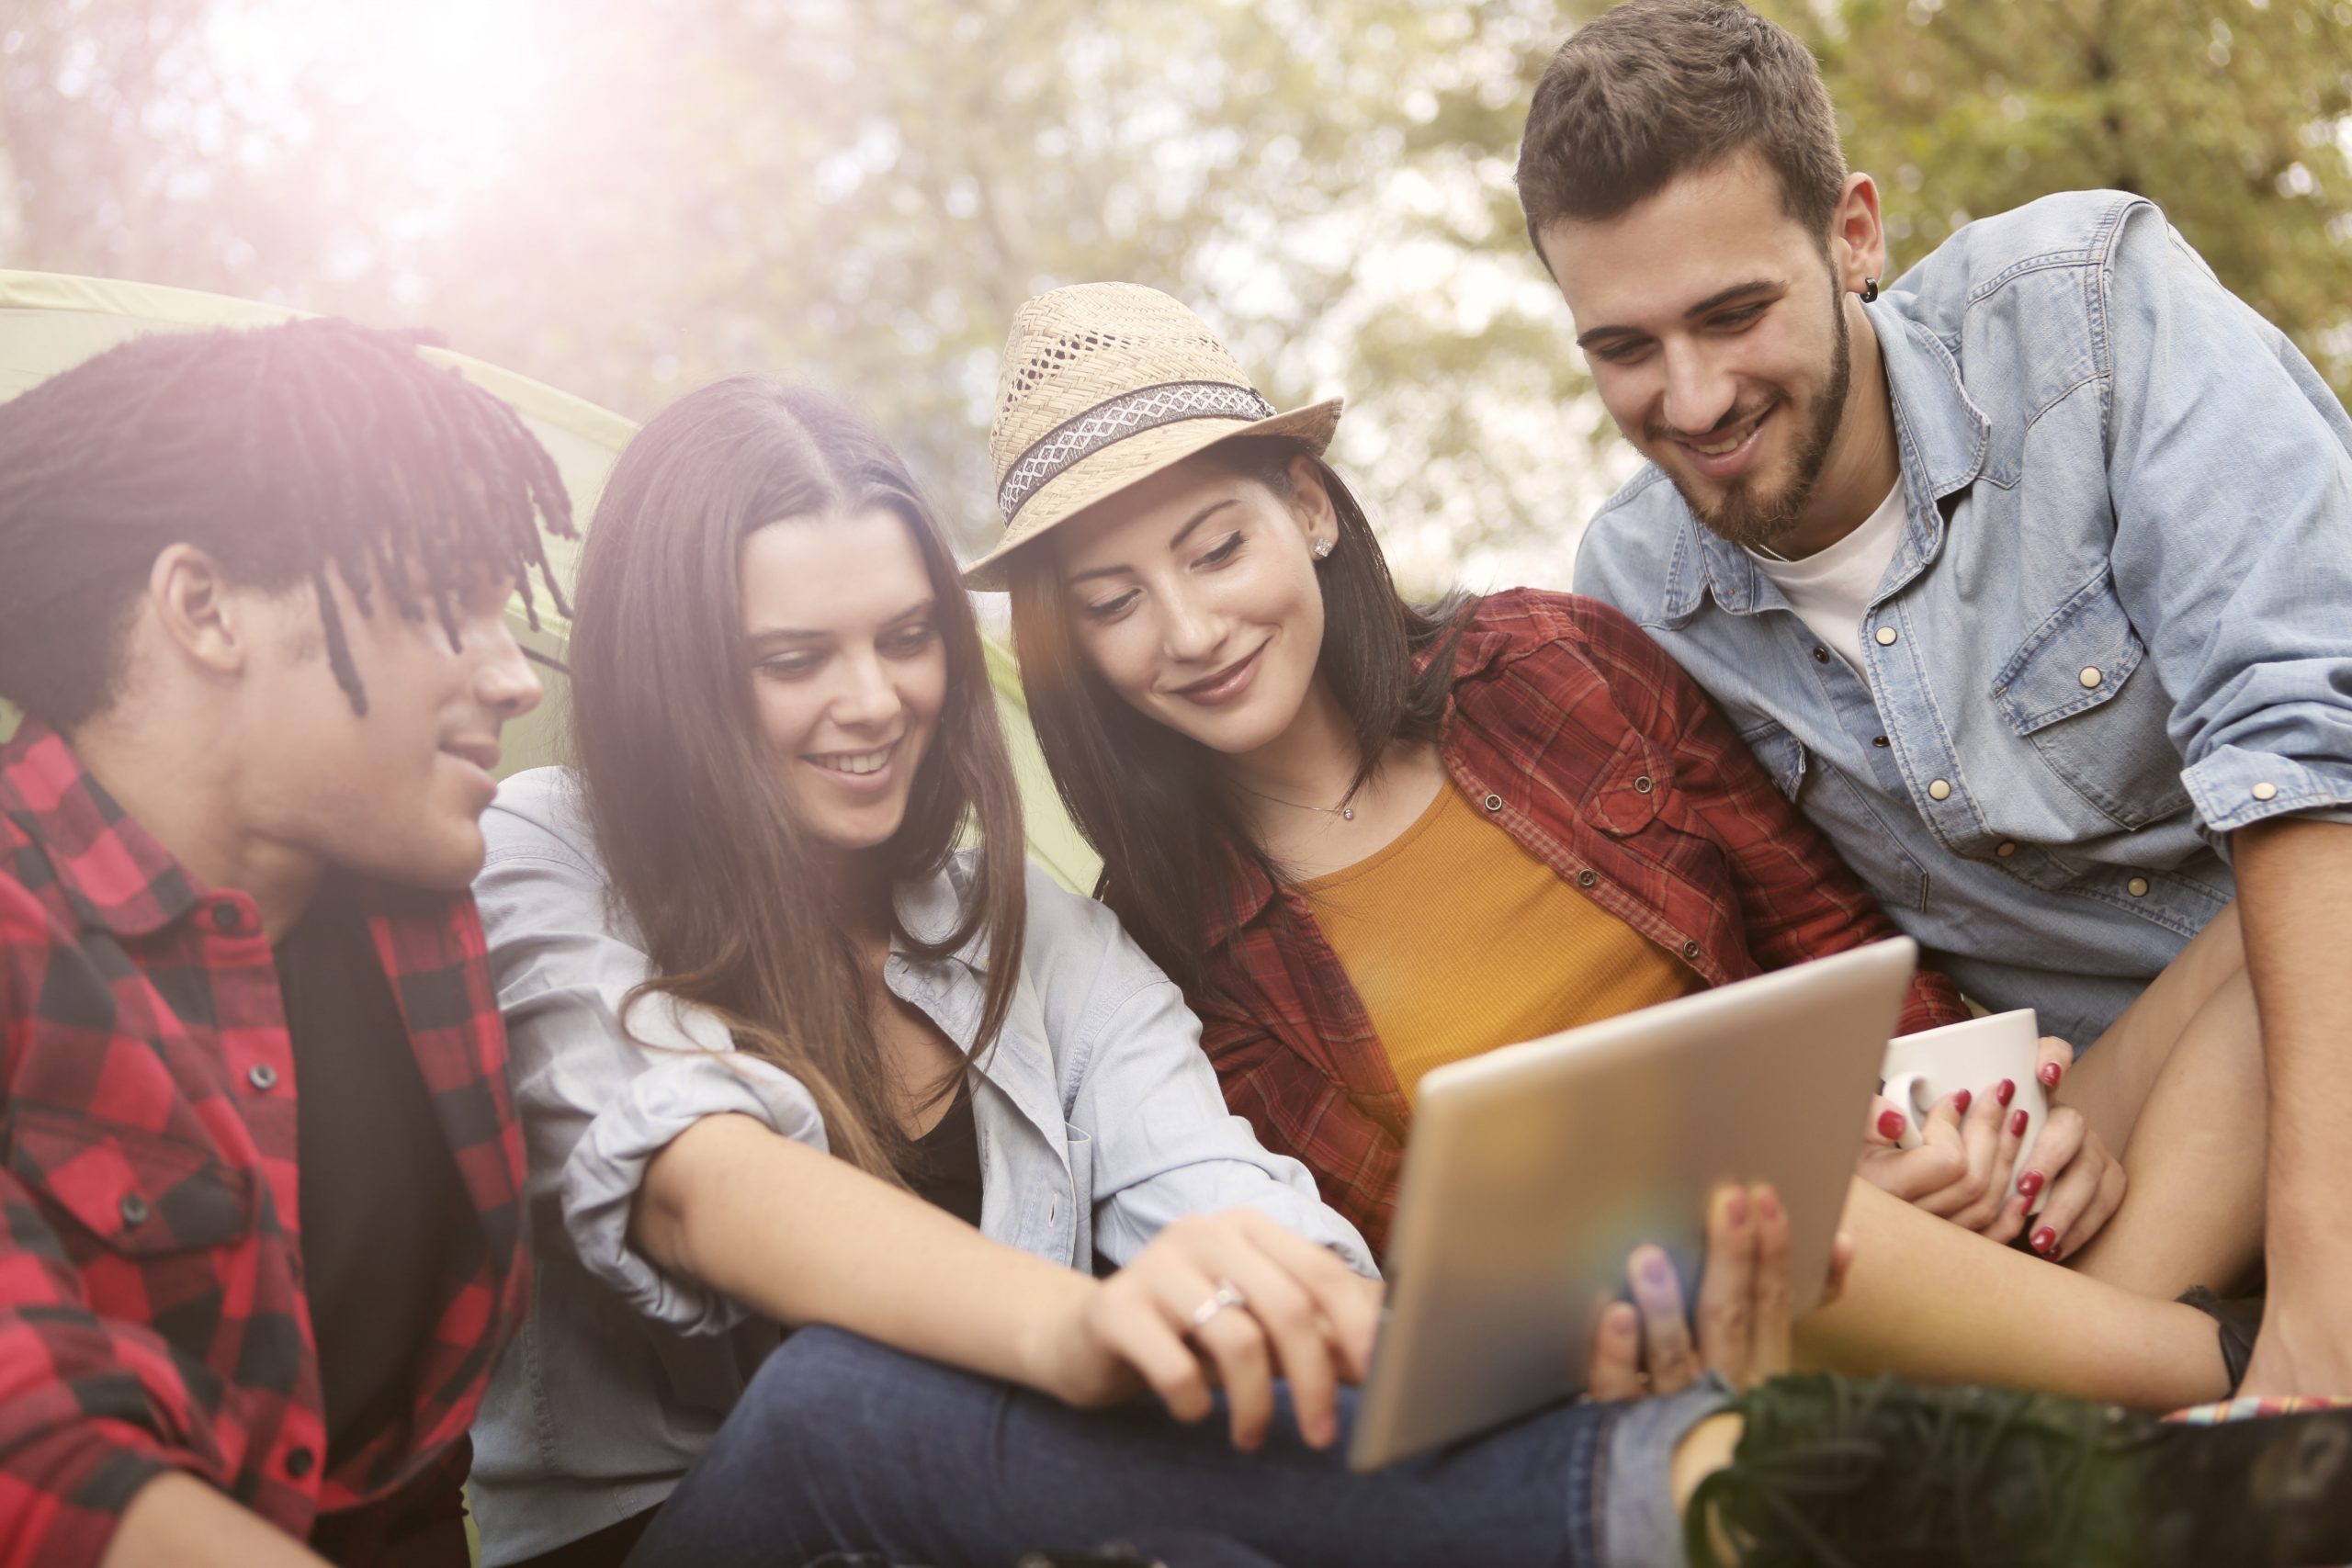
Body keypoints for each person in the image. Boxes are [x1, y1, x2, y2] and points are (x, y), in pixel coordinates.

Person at [470, 376, 2351, 1568]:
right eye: (790, 656)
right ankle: (1825, 1479)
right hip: (716, 1514)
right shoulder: (556, 847)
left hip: (1050, 1504)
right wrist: (1087, 1324)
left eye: (897, 639)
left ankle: (2091, 1430)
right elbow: (694, 1178)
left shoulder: (1028, 926)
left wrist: (1372, 1312)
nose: (869, 696)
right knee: (838, 1398)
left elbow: (1258, 1211)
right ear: (672, 661)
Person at [990, 278, 2270, 1403]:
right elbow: (1426, 1297)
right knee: (1742, 1211)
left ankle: (2104, 1383)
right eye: (1114, 603)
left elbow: (1834, 946)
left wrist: (1975, 1128)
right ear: (1076, 649)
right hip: (1682, 1342)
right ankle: (2239, 1376)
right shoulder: (1160, 953)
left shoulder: (1548, 663)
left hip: (1902, 1175)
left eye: (1216, 551)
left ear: (1311, 511)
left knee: (2293, 915)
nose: (1192, 628)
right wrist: (1794, 1239)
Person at [1521, 0, 2352, 1396]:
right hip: (2097, 1134)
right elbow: (1761, 972)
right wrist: (1930, 1129)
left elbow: (2310, 738)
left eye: (1735, 313)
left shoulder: (2088, 314)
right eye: (1625, 347)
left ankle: (2223, 1405)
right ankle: (2164, 1403)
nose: (1696, 395)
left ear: (1854, 234)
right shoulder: (1631, 598)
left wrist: (2319, 1326)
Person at [0, 319, 574, 1568]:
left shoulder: (422, 912)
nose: (513, 674)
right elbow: (37, 1456)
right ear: (205, 609)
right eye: (449, 603)